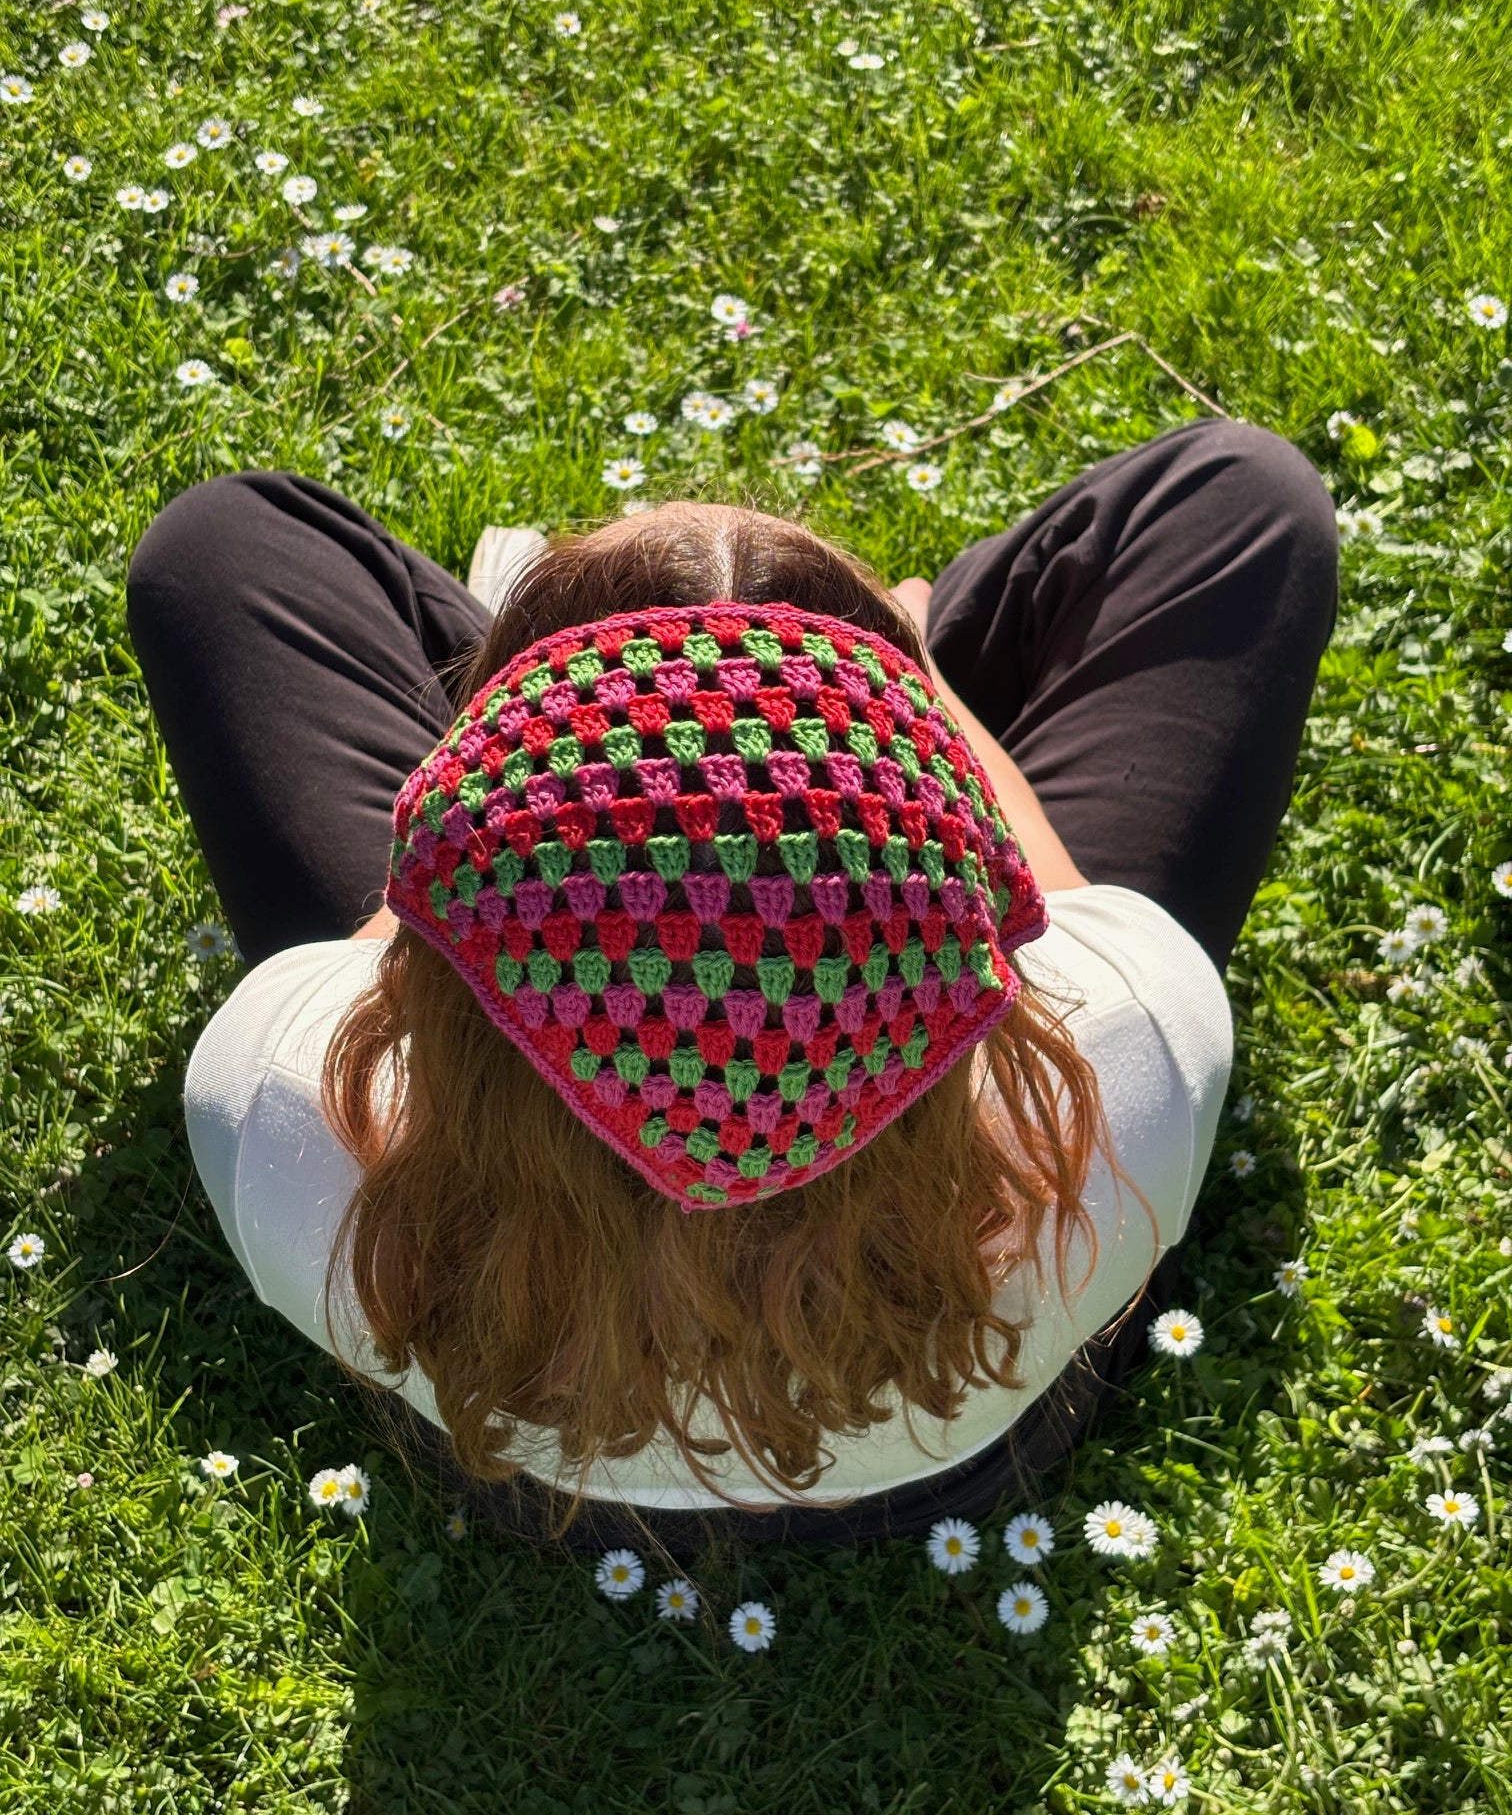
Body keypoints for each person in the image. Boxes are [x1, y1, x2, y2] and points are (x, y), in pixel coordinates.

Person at [126, 416, 1338, 1558]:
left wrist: (551, 787)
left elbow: (399, 922)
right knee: (1245, 501)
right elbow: (1062, 903)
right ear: (955, 852)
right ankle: (851, 653)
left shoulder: (298, 1114)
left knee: (218, 551)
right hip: (966, 1439)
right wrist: (916, 682)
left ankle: (534, 640)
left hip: (528, 1452)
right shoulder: (1113, 1078)